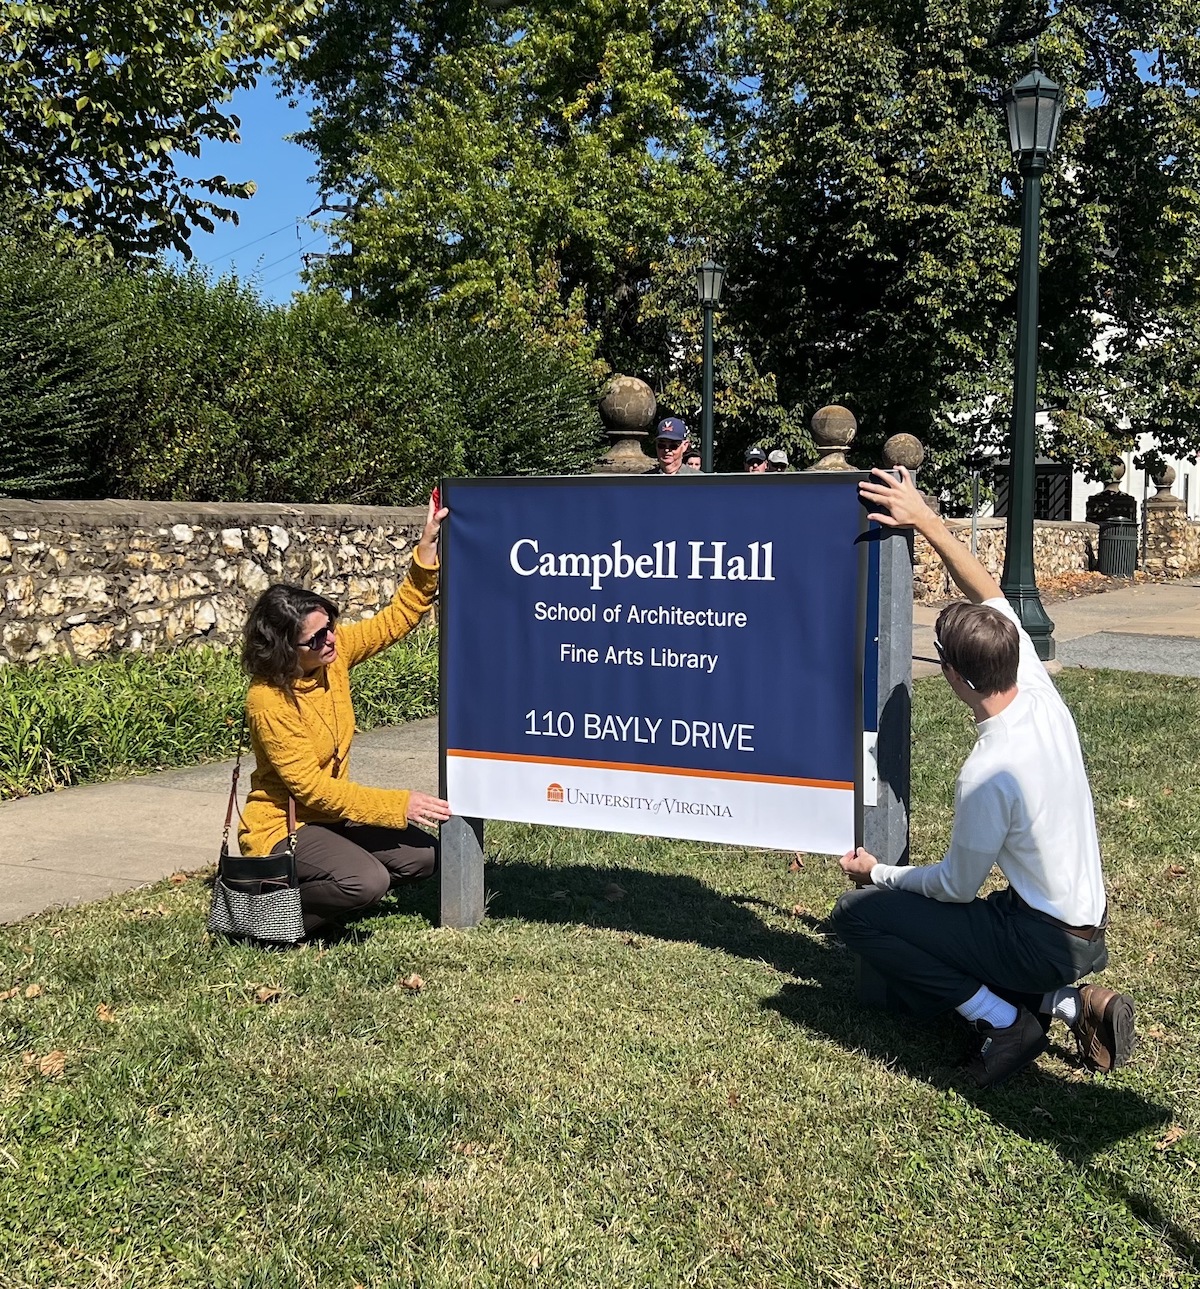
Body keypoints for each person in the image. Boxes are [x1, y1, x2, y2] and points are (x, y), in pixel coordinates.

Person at [832, 466, 1135, 1087]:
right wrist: (925, 520)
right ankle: (1074, 1005)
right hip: (1076, 922)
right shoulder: (1036, 691)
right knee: (956, 938)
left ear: (958, 679)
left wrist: (877, 873)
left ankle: (1005, 1022)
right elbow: (987, 589)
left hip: (1043, 939)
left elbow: (951, 888)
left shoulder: (988, 770)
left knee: (858, 917)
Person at [238, 496, 453, 937]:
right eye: (315, 638)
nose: (329, 640)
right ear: (284, 649)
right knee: (366, 881)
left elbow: (395, 620)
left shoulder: (331, 659)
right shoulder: (268, 700)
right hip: (286, 824)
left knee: (425, 857)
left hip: (331, 817)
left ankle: (329, 879)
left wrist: (426, 552)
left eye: (330, 626)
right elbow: (311, 791)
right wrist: (399, 805)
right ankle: (266, 914)